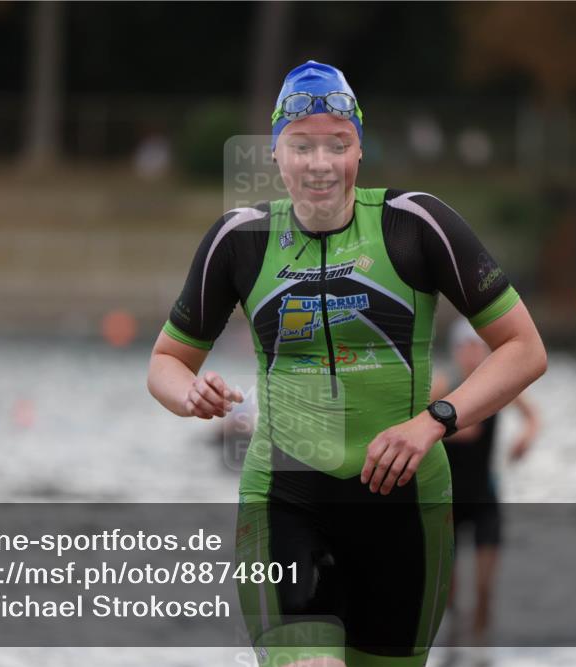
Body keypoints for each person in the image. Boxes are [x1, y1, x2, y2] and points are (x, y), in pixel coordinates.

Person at [147, 60, 547, 667]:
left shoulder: (417, 226)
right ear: (275, 153)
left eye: (338, 144)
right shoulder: (240, 240)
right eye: (301, 145)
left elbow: (524, 348)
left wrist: (435, 419)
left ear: (360, 150)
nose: (320, 163)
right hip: (285, 498)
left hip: (406, 508)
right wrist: (189, 394)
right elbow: (166, 362)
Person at [432, 319, 540, 662]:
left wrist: (526, 437)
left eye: (477, 346)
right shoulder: (441, 387)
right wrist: (446, 429)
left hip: (484, 501)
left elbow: (533, 416)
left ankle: (481, 653)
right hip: (449, 503)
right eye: (465, 347)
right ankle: (453, 647)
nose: (471, 353)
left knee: (484, 590)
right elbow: (412, 420)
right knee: (450, 595)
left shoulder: (498, 385)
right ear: (456, 350)